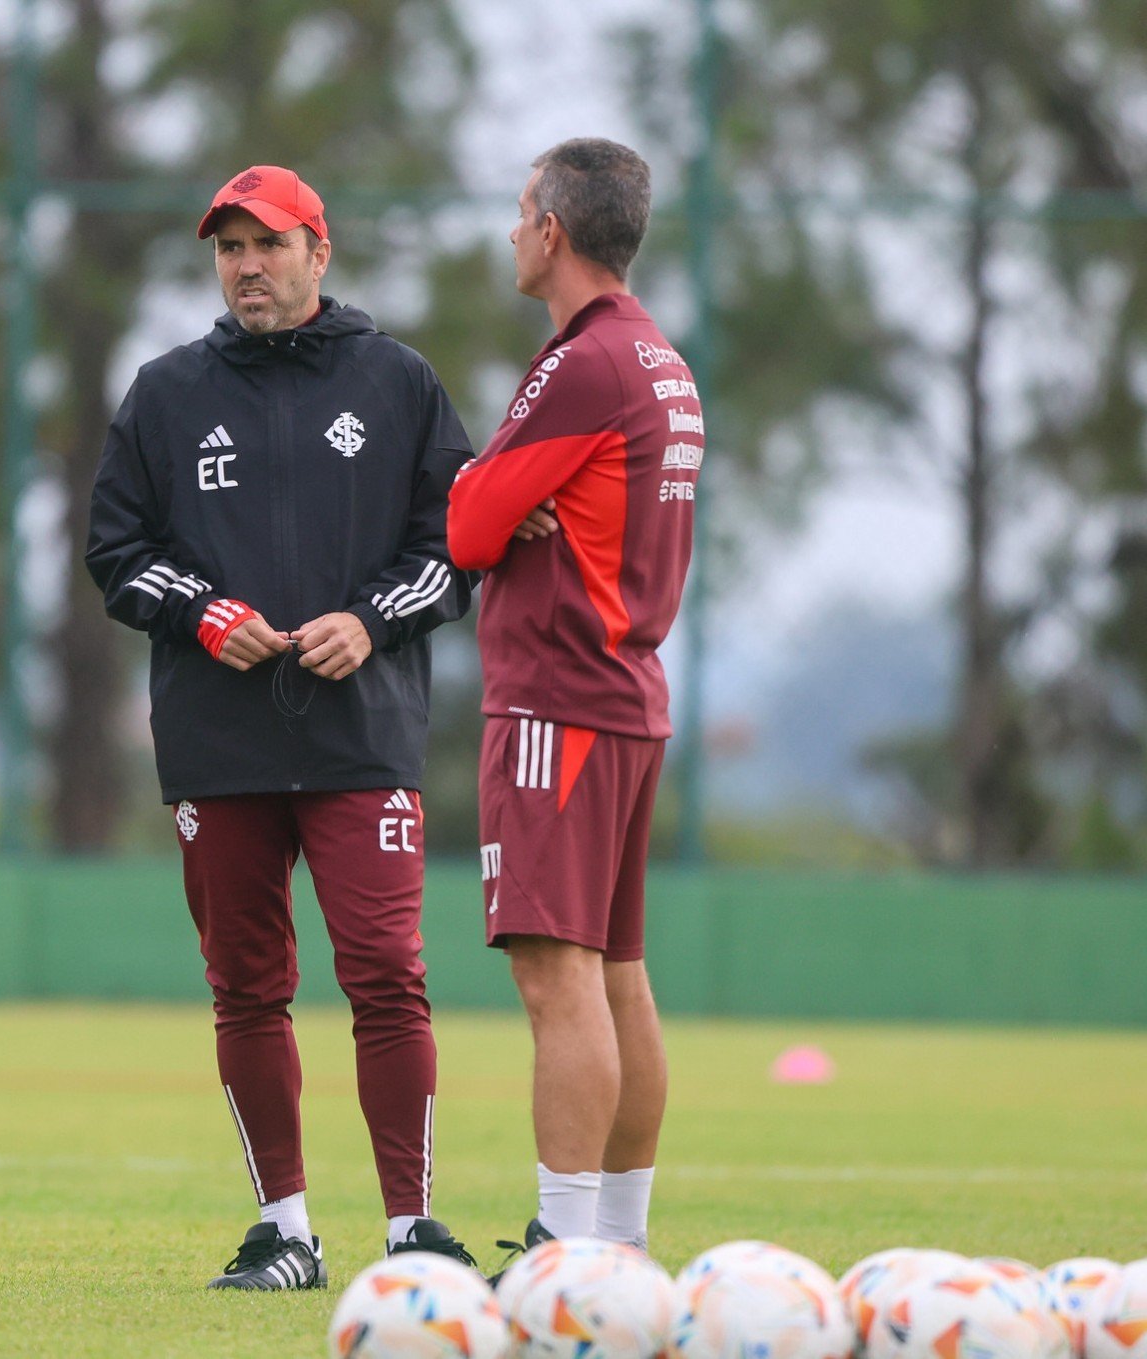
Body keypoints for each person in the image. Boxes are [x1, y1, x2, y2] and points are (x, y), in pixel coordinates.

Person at [87, 165, 479, 1290]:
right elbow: (115, 553)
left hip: (364, 736)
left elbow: (452, 546)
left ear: (321, 251)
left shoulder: (397, 380)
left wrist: (369, 620)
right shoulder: (165, 392)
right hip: (219, 744)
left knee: (386, 975)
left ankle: (413, 1233)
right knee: (246, 989)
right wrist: (205, 615)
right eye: (229, 249)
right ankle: (287, 1232)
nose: (247, 267)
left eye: (269, 244)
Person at [445, 138, 700, 1260]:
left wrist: (497, 496)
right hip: (629, 697)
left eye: (519, 213)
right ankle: (621, 1247)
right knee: (617, 977)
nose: (510, 232)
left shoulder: (582, 362)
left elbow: (463, 528)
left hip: (559, 699)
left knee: (559, 982)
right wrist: (514, 500)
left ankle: (564, 1248)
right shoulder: (661, 360)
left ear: (553, 231)